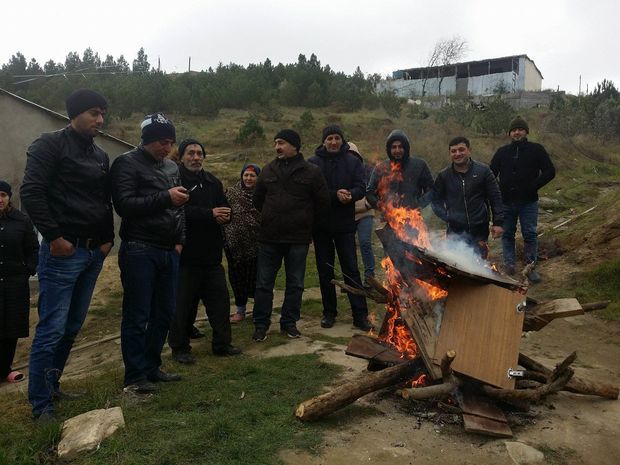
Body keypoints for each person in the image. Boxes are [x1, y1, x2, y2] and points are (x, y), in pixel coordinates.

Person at [21, 89, 114, 421]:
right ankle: (40, 403)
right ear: (74, 113)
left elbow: (103, 201)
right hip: (63, 251)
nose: (100, 120)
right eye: (93, 113)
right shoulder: (49, 145)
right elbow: (31, 192)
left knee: (73, 325)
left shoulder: (100, 155)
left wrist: (107, 240)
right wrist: (55, 237)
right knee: (52, 327)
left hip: (93, 251)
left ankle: (52, 385)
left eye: (103, 113)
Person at [110, 112, 186, 393]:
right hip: (139, 248)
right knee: (137, 313)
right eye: (162, 142)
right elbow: (125, 205)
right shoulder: (126, 163)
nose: (167, 148)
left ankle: (152, 367)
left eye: (170, 142)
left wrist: (180, 240)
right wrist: (165, 197)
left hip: (169, 249)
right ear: (147, 140)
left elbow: (180, 209)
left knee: (164, 312)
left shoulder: (170, 167)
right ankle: (135, 376)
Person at [168, 139, 241, 365]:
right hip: (185, 256)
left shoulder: (212, 182)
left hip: (211, 256)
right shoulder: (174, 181)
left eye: (200, 153)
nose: (196, 157)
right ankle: (180, 348)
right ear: (181, 157)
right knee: (182, 305)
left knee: (219, 302)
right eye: (191, 153)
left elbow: (225, 208)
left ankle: (222, 344)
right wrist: (210, 214)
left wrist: (226, 216)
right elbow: (176, 211)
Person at [252, 129, 329, 341]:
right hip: (269, 238)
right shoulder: (267, 170)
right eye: (276, 142)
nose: (278, 147)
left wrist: (306, 223)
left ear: (295, 146)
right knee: (264, 284)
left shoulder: (311, 172)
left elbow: (322, 203)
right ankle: (261, 324)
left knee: (295, 283)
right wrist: (271, 217)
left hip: (298, 238)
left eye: (282, 142)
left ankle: (289, 323)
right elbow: (258, 200)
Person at [308, 126, 372, 331]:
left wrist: (351, 195)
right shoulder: (313, 163)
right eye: (329, 138)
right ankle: (329, 312)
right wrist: (335, 194)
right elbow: (312, 192)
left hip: (345, 224)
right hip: (322, 225)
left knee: (351, 269)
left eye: (337, 138)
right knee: (325, 270)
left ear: (342, 140)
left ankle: (359, 314)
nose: (333, 142)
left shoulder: (353, 161)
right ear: (323, 141)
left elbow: (361, 187)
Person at [490, 116, 555, 281]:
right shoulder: (502, 152)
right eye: (513, 130)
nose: (517, 132)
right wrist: (499, 189)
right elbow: (490, 174)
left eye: (520, 129)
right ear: (510, 133)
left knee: (530, 234)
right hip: (506, 201)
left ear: (526, 131)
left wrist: (533, 186)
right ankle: (509, 265)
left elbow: (549, 171)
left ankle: (530, 267)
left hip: (529, 202)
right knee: (507, 234)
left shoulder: (536, 149)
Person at [431, 136, 504, 259]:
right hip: (455, 232)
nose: (457, 154)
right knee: (456, 266)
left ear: (469, 150)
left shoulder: (484, 171)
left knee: (478, 265)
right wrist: (448, 217)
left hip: (479, 230)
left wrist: (498, 223)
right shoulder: (444, 176)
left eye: (461, 150)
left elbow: (495, 197)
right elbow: (435, 201)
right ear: (450, 153)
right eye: (453, 151)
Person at [0, 181, 39, 384]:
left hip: (14, 282)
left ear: (9, 197)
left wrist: (28, 270)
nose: (0, 199)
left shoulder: (21, 220)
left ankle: (5, 369)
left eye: (3, 195)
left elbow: (33, 248)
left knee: (10, 327)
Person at [223, 163, 262, 323]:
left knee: (257, 278)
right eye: (246, 175)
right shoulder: (231, 193)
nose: (248, 178)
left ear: (258, 178)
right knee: (237, 278)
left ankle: (259, 310)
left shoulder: (262, 195)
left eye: (252, 175)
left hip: (257, 245)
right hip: (234, 246)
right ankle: (240, 311)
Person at [366, 129, 434, 214]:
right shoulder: (381, 168)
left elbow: (431, 189)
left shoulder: (419, 165)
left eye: (400, 147)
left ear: (406, 148)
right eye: (394, 147)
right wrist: (381, 206)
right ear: (389, 149)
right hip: (390, 218)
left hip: (414, 218)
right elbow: (369, 192)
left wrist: (418, 204)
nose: (397, 150)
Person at [349, 143, 376, 286]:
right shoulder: (342, 171)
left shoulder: (368, 170)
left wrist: (367, 204)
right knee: (348, 247)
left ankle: (369, 277)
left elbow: (376, 190)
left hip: (365, 212)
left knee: (365, 243)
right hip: (348, 215)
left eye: (353, 154)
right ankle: (353, 278)